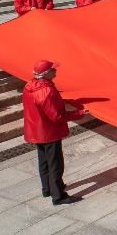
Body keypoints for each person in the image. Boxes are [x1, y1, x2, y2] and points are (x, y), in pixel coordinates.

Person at [22, 60, 87, 205]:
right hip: (49, 132)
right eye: (53, 70)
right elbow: (57, 117)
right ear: (46, 74)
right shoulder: (47, 91)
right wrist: (79, 114)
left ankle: (47, 189)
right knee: (55, 164)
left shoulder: (29, 87)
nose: (56, 72)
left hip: (36, 131)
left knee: (44, 162)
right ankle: (59, 196)